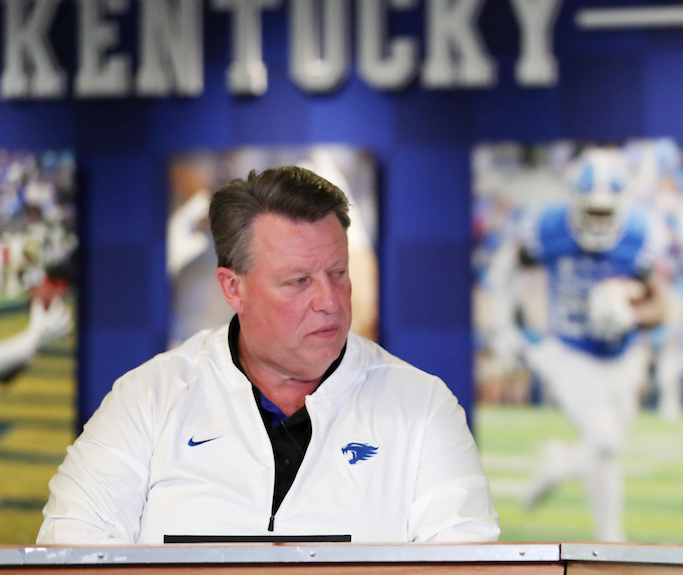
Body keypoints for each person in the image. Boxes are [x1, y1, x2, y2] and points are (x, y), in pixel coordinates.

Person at [39, 166, 499, 544]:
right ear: (233, 288)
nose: (330, 301)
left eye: (338, 273)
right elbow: (67, 562)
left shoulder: (422, 407)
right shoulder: (148, 399)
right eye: (299, 281)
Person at [496, 146, 666, 543]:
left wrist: (632, 316)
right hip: (569, 350)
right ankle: (612, 538)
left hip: (623, 354)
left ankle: (558, 463)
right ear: (573, 202)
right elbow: (507, 267)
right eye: (590, 210)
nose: (598, 219)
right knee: (605, 441)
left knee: (607, 446)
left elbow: (660, 304)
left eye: (606, 212)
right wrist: (505, 324)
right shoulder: (550, 227)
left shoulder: (640, 234)